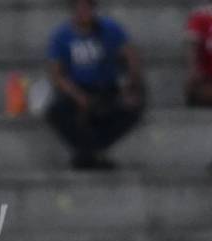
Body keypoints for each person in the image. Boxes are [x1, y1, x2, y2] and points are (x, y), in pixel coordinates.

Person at [44, 0, 146, 169]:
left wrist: (130, 86)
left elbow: (131, 58)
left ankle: (89, 153)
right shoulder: (61, 35)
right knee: (55, 111)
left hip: (108, 89)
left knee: (132, 109)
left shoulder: (110, 29)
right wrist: (78, 96)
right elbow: (57, 75)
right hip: (77, 89)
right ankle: (93, 153)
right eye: (80, 7)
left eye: (88, 7)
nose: (84, 11)